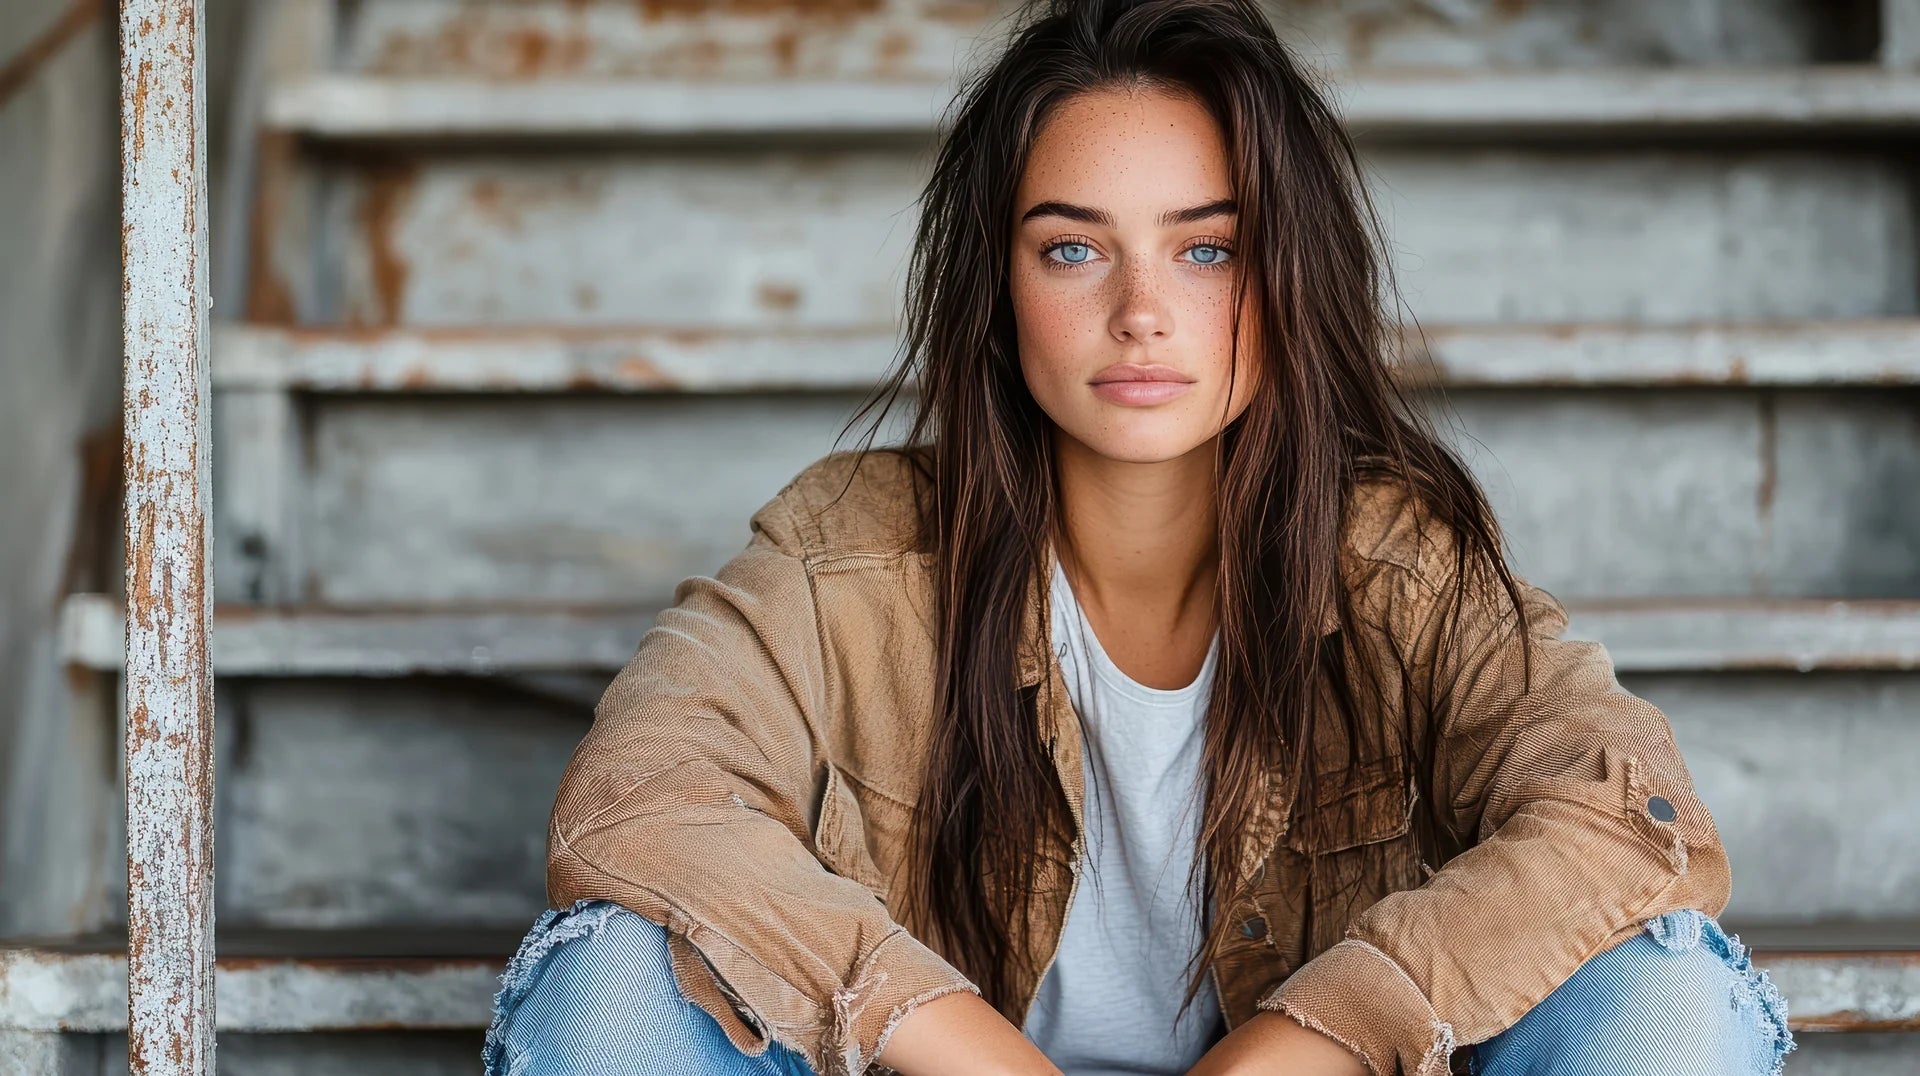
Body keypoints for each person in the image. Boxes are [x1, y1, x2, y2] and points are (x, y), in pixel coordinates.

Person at [482, 0, 1795, 1073]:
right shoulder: (850, 557)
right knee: (609, 979)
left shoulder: (1400, 565)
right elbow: (639, 801)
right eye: (1071, 252)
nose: (1143, 313)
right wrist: (953, 1042)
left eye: (1209, 251)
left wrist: (1311, 1040)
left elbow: (1635, 823)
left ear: (1287, 280)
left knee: (1663, 995)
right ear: (998, 294)